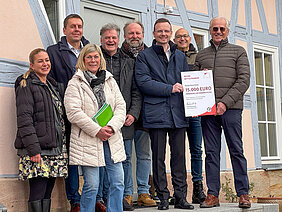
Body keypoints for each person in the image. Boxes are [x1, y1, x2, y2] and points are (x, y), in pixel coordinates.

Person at [135, 18, 194, 210]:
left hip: (178, 114)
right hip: (156, 113)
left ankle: (181, 197)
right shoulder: (144, 56)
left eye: (166, 31)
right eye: (159, 31)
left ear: (170, 33)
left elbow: (187, 83)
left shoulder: (180, 56)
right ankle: (162, 198)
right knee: (158, 158)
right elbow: (143, 82)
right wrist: (170, 88)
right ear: (154, 34)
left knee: (179, 158)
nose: (163, 34)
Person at [194, 17, 251, 209]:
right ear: (210, 31)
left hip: (231, 109)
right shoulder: (201, 55)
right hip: (208, 112)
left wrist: (225, 103)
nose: (218, 31)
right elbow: (194, 82)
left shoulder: (238, 51)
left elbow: (243, 80)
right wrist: (196, 105)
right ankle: (212, 194)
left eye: (221, 29)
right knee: (211, 153)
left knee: (236, 150)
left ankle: (243, 194)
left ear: (227, 31)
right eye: (214, 28)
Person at [64, 44, 126, 212]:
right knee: (92, 185)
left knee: (118, 181)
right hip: (88, 139)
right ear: (83, 60)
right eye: (89, 57)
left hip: (111, 139)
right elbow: (73, 112)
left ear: (101, 59)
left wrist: (111, 127)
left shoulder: (110, 80)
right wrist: (96, 130)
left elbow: (121, 106)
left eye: (96, 57)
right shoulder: (75, 83)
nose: (93, 60)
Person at [14, 48, 68, 212]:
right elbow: (24, 119)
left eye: (47, 60)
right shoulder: (26, 85)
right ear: (32, 64)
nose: (45, 64)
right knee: (38, 191)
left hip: (54, 149)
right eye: (40, 61)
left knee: (47, 193)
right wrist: (33, 149)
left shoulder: (51, 85)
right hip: (38, 150)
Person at [47, 13, 90, 212]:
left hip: (91, 114)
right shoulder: (54, 52)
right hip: (67, 113)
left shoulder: (90, 49)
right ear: (64, 30)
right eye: (72, 26)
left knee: (93, 157)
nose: (76, 29)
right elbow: (51, 81)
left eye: (79, 26)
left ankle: (94, 198)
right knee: (72, 159)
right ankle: (76, 201)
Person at [99, 23, 144, 211]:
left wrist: (133, 113)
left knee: (123, 159)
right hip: (99, 120)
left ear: (119, 39)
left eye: (114, 38)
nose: (111, 40)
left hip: (124, 119)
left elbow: (136, 91)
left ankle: (123, 198)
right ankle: (102, 199)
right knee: (101, 160)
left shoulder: (129, 61)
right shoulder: (95, 59)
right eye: (107, 37)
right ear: (101, 39)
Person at [120, 21, 157, 207]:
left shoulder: (151, 54)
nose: (134, 36)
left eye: (138, 33)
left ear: (143, 34)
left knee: (144, 155)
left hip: (145, 113)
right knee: (125, 156)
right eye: (131, 33)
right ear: (125, 35)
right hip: (125, 114)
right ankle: (127, 193)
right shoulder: (118, 55)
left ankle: (143, 191)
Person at [174, 28, 206, 204]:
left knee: (196, 150)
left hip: (195, 109)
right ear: (175, 39)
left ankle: (198, 187)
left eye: (185, 36)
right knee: (177, 152)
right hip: (176, 109)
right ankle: (179, 191)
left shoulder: (198, 57)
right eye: (179, 37)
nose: (182, 39)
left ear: (189, 39)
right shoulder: (170, 56)